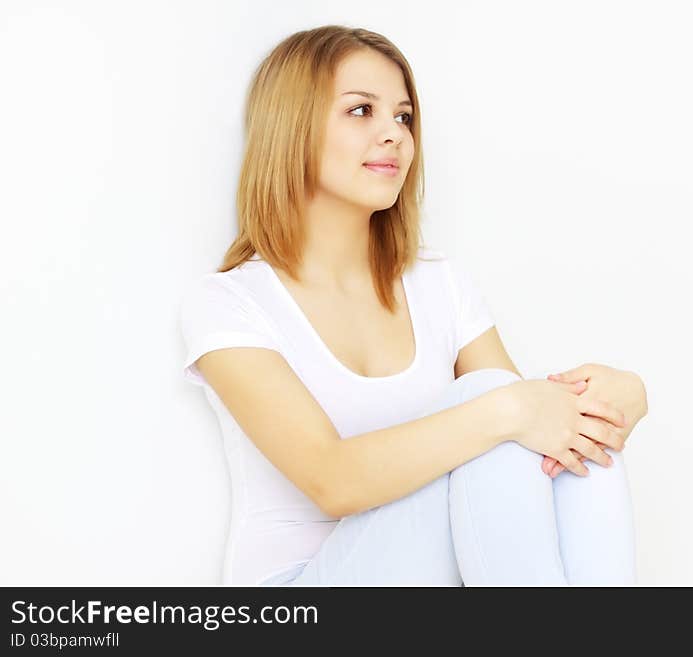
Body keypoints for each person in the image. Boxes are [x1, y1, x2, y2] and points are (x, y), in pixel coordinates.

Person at [179, 25, 648, 586]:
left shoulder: (437, 281)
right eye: (361, 111)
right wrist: (511, 412)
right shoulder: (230, 302)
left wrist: (616, 399)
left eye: (403, 117)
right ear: (292, 129)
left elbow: (532, 453)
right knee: (494, 402)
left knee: (559, 443)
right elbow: (333, 480)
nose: (395, 135)